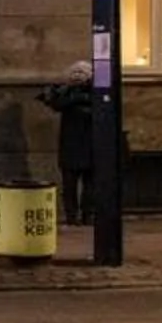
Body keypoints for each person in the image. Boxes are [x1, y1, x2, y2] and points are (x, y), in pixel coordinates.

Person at [38, 64, 97, 226]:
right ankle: (74, 215)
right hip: (74, 144)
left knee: (87, 184)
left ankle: (86, 214)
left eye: (81, 73)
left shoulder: (90, 93)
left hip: (84, 144)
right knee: (71, 185)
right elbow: (56, 103)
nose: (78, 76)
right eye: (75, 72)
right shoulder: (68, 92)